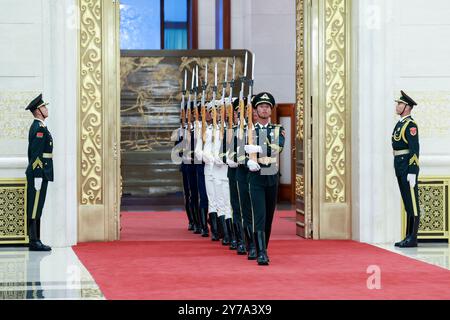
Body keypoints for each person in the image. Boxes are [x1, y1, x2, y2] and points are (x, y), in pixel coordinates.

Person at [245, 92, 285, 265]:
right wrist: (247, 160)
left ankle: (261, 246)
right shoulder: (248, 130)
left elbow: (277, 148)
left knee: (268, 216)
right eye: (261, 106)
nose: (264, 109)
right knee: (259, 215)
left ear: (271, 110)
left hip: (270, 175)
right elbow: (238, 152)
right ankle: (261, 251)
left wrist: (258, 149)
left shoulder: (277, 129)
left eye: (267, 106)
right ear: (256, 110)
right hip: (255, 177)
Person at [25, 94, 53, 251]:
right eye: (43, 107)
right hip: (39, 173)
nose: (46, 109)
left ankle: (36, 239)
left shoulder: (41, 127)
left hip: (42, 172)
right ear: (38, 111)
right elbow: (35, 155)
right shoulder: (38, 128)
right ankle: (34, 241)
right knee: (35, 206)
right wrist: (37, 175)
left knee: (38, 206)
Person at [392, 90, 420, 248]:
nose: (397, 106)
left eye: (400, 104)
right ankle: (407, 236)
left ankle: (413, 237)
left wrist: (412, 171)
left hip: (407, 167)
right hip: (400, 164)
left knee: (413, 203)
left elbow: (414, 149)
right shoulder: (400, 123)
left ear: (407, 107)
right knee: (407, 202)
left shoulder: (411, 125)